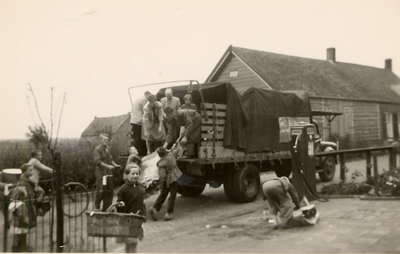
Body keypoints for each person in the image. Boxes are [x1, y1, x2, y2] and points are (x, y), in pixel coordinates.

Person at [116, 164, 147, 253]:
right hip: (128, 218)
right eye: (133, 174)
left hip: (139, 217)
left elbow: (141, 201)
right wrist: (120, 204)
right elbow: (119, 203)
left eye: (137, 174)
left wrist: (144, 214)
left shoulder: (140, 186)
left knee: (134, 240)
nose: (135, 176)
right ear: (127, 174)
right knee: (130, 241)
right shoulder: (123, 189)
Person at [149, 147, 182, 221]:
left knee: (163, 194)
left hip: (167, 180)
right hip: (175, 177)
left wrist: (160, 184)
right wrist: (175, 145)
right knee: (172, 196)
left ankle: (155, 208)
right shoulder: (171, 155)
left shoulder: (161, 163)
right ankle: (169, 213)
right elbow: (176, 150)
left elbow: (163, 176)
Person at [9, 164, 37, 252]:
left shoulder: (27, 180)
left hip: (27, 204)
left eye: (32, 170)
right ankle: (21, 245)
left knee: (24, 227)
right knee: (22, 226)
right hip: (24, 206)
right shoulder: (22, 182)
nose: (32, 172)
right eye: (30, 170)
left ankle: (22, 244)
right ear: (24, 172)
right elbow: (21, 195)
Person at [93, 133, 121, 212]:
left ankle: (106, 208)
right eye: (104, 140)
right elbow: (98, 162)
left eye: (107, 140)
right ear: (100, 140)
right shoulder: (97, 149)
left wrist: (116, 165)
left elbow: (110, 160)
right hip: (101, 173)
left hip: (109, 173)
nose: (106, 141)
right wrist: (108, 166)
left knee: (109, 190)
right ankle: (97, 207)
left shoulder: (108, 149)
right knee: (101, 191)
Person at [28, 149, 53, 216]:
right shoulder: (35, 161)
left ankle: (37, 209)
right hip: (31, 183)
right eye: (40, 155)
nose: (41, 156)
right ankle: (38, 209)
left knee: (39, 194)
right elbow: (45, 168)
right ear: (35, 156)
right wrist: (54, 171)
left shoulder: (31, 161)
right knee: (41, 192)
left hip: (31, 182)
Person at [130, 91, 151, 156]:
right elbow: (145, 110)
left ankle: (136, 152)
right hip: (138, 121)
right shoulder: (144, 99)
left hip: (134, 120)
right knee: (140, 138)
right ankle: (139, 152)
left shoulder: (138, 99)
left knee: (136, 137)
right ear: (147, 95)